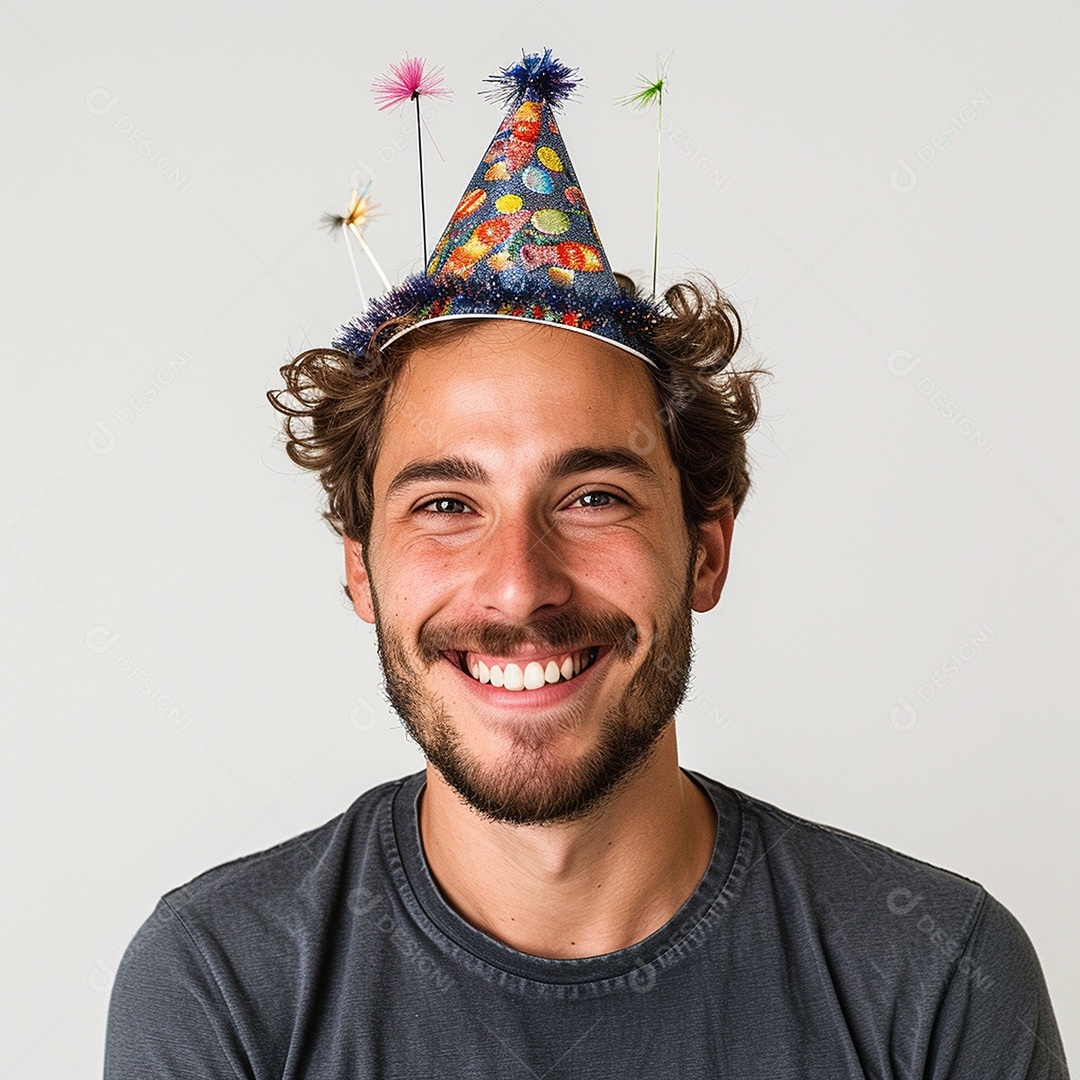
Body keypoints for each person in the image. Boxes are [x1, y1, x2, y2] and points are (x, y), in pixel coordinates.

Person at [104, 51, 1069, 1078]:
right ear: (360, 571)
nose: (520, 585)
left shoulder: (934, 975)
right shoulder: (223, 983)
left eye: (593, 497)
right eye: (445, 505)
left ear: (706, 549)